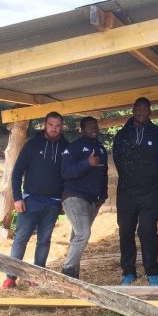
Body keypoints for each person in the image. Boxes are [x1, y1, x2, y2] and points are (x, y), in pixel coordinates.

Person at [3, 112, 68, 289]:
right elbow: (17, 173)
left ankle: (37, 277)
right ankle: (11, 277)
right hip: (30, 201)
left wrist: (64, 200)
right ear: (44, 125)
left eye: (57, 125)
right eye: (51, 125)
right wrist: (17, 198)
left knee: (44, 241)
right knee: (20, 239)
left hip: (53, 203)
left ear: (62, 126)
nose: (54, 129)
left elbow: (70, 176)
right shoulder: (33, 145)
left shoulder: (67, 148)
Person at [113, 97, 158, 286]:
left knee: (147, 231)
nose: (141, 112)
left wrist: (156, 184)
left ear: (149, 112)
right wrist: (129, 179)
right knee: (126, 232)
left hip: (150, 193)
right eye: (138, 108)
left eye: (145, 109)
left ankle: (152, 271)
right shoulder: (122, 135)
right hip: (126, 193)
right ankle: (129, 271)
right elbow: (117, 159)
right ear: (133, 110)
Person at [60, 116, 108, 279]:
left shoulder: (101, 149)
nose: (94, 129)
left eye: (95, 126)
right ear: (82, 129)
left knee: (77, 236)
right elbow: (66, 173)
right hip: (74, 196)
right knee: (83, 234)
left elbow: (104, 174)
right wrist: (87, 163)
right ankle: (67, 270)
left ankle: (73, 276)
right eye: (89, 126)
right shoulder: (74, 148)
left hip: (93, 199)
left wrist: (103, 195)